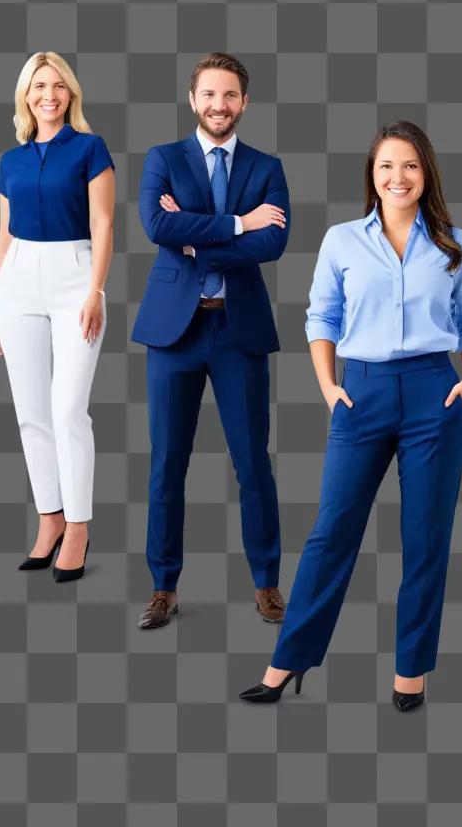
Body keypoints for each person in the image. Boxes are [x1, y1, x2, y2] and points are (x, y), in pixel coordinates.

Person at [240, 120, 462, 710]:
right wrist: (328, 386)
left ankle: (412, 671)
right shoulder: (342, 240)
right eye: (385, 166)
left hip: (436, 392)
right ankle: (287, 661)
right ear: (371, 176)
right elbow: (321, 318)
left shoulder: (454, 242)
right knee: (332, 533)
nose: (397, 177)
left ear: (425, 173)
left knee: (425, 539)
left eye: (409, 165)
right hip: (362, 393)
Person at [131, 52, 290, 629]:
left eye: (230, 96)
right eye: (209, 95)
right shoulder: (163, 159)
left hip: (238, 329)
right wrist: (238, 223)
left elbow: (273, 244)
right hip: (174, 331)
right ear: (192, 99)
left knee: (253, 464)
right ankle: (163, 586)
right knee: (167, 464)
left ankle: (267, 583)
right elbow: (157, 226)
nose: (219, 106)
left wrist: (196, 239)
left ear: (244, 102)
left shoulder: (267, 166)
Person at [0, 52, 114, 581]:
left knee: (67, 410)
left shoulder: (89, 148)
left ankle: (79, 525)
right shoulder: (10, 160)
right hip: (18, 280)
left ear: (71, 94)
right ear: (26, 96)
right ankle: (50, 518)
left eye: (58, 86)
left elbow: (103, 223)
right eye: (39, 87)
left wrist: (96, 290)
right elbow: (3, 237)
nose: (49, 95)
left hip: (73, 276)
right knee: (30, 412)